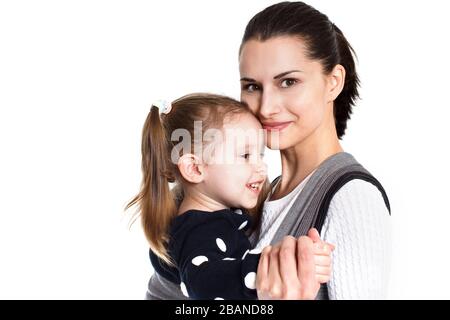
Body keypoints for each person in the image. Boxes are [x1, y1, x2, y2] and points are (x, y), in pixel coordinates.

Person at [239, 1, 391, 299]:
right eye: (252, 87)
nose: (266, 107)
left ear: (333, 82)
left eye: (288, 82)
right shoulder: (255, 196)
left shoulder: (353, 199)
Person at [127, 93, 333, 300]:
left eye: (260, 155)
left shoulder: (217, 218)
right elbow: (206, 283)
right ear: (195, 168)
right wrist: (274, 265)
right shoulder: (197, 231)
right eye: (245, 156)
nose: (262, 167)